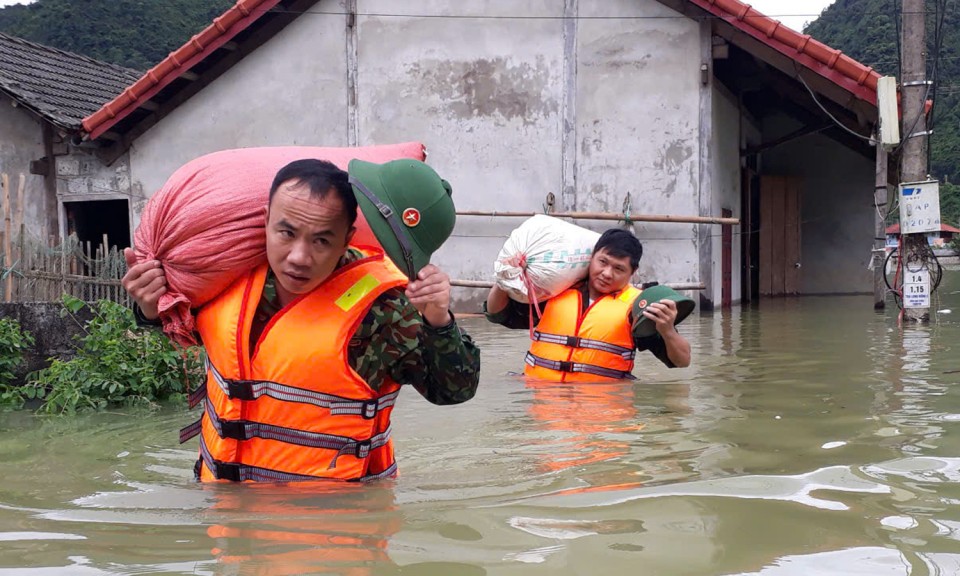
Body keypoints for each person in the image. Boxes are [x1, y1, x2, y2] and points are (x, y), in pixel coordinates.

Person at [122, 158, 480, 482]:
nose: (298, 257)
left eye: (321, 241)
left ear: (346, 240)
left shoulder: (384, 309)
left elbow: (453, 392)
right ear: (265, 221)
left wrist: (438, 319)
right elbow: (187, 332)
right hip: (225, 514)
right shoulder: (226, 280)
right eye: (286, 233)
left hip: (330, 527)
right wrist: (151, 307)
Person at [485, 228, 690, 381]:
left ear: (632, 272)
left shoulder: (636, 308)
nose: (607, 273)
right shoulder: (556, 289)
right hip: (542, 401)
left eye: (619, 269)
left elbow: (682, 361)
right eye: (603, 262)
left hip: (600, 408)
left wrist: (668, 330)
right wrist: (506, 279)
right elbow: (497, 313)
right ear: (591, 258)